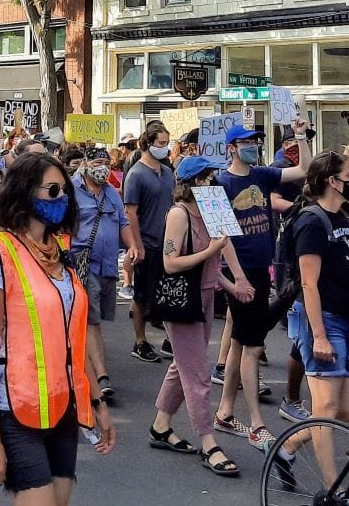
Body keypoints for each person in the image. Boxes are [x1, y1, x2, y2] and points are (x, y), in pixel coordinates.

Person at [0, 151, 115, 501]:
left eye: (64, 190)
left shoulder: (59, 252)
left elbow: (72, 341)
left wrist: (97, 403)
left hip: (63, 408)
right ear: (24, 192)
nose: (62, 198)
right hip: (16, 409)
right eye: (52, 190)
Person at [269, 152, 349, 486]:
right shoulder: (312, 221)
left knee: (348, 411)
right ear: (331, 181)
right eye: (346, 175)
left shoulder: (343, 218)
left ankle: (287, 447)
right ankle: (332, 488)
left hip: (348, 318)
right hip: (323, 320)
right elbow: (309, 282)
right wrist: (320, 335)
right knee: (325, 410)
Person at [212, 121, 310, 449]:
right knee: (253, 347)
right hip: (242, 271)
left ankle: (225, 411)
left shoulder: (263, 175)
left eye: (256, 140)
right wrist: (238, 277)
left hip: (259, 269)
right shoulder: (221, 183)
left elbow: (304, 169)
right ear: (232, 147)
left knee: (241, 343)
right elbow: (221, 234)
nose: (253, 145)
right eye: (247, 141)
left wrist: (301, 133)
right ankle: (256, 424)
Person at [148, 156, 246, 478]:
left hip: (203, 297)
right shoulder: (179, 214)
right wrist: (210, 251)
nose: (212, 181)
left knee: (184, 365)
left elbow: (216, 261)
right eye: (206, 177)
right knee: (198, 374)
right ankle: (209, 442)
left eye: (212, 175)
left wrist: (234, 285)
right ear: (191, 184)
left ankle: (161, 425)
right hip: (182, 303)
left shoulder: (210, 209)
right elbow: (170, 263)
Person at [70, 144, 135, 408]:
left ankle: (82, 368)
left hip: (107, 266)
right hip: (81, 265)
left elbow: (123, 222)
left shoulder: (111, 193)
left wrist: (132, 246)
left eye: (106, 163)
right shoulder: (70, 192)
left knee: (93, 318)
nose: (102, 168)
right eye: (97, 163)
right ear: (85, 165)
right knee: (90, 320)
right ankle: (101, 377)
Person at [123, 120, 174, 363]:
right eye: (161, 144)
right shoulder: (136, 174)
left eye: (167, 143)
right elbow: (130, 212)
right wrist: (137, 245)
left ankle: (168, 340)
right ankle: (139, 341)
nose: (164, 148)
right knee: (142, 294)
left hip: (167, 243)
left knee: (166, 293)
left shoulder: (167, 171)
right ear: (149, 143)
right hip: (148, 241)